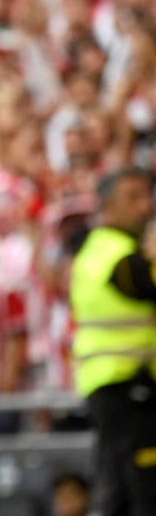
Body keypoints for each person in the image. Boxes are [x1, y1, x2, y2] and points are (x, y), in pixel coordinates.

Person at [69, 166, 156, 516]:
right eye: (132, 197)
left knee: (116, 490)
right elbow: (144, 282)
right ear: (107, 207)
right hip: (124, 386)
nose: (145, 206)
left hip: (116, 386)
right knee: (145, 491)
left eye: (147, 195)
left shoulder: (101, 249)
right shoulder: (114, 254)